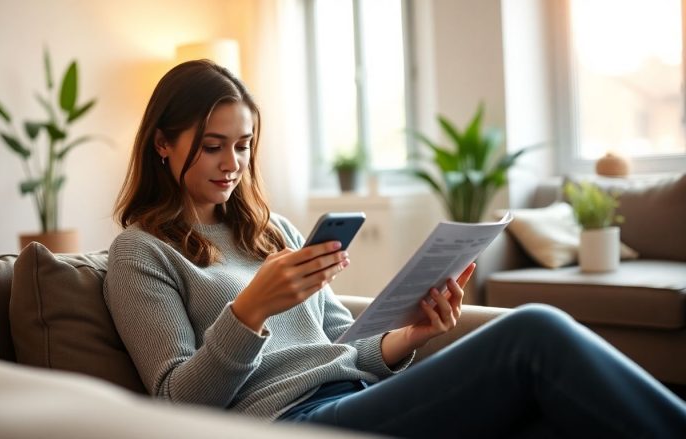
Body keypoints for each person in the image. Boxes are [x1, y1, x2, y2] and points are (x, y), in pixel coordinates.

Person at [103, 59, 686, 438]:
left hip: (356, 396)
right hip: (292, 422)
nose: (233, 164)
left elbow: (342, 347)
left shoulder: (270, 230)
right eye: (212, 146)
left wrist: (409, 336)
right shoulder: (140, 252)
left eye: (244, 145)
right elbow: (175, 406)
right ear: (162, 142)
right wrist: (250, 310)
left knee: (548, 418)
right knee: (534, 332)